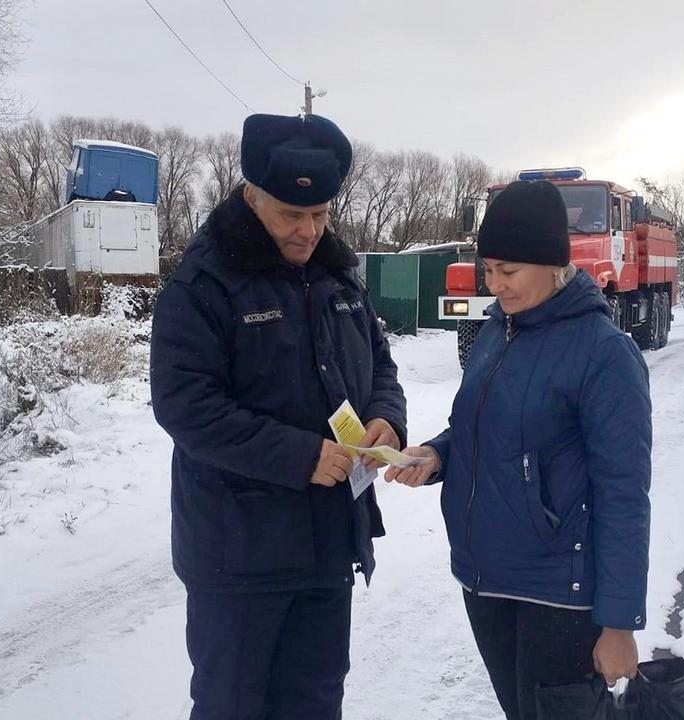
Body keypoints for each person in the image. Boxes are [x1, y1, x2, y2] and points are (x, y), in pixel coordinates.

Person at [150, 113, 407, 720]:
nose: (309, 231)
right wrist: (299, 456)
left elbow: (380, 366)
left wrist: (386, 419)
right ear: (250, 196)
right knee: (233, 705)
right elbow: (185, 405)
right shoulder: (204, 284)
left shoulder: (339, 274)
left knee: (315, 702)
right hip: (238, 552)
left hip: (326, 543)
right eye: (292, 216)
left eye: (320, 214)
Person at [385, 180, 651, 720]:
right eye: (488, 270)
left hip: (559, 592)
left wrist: (619, 622)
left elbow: (624, 495)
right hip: (486, 580)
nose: (494, 285)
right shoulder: (498, 332)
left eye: (508, 272)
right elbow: (480, 429)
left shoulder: (604, 353)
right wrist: (437, 455)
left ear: (552, 264)